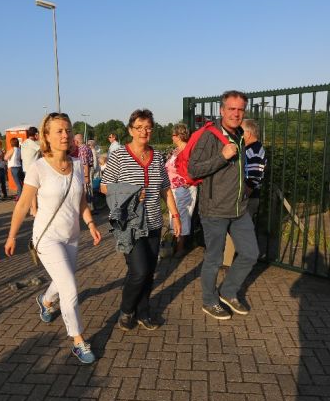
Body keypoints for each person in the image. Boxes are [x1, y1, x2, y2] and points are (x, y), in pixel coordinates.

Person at [4, 112, 101, 364]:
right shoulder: (38, 168)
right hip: (47, 237)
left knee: (62, 280)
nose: (65, 135)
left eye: (68, 130)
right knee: (69, 287)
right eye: (59, 131)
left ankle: (45, 300)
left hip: (72, 235)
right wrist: (12, 236)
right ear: (46, 136)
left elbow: (81, 201)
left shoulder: (77, 165)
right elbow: (23, 204)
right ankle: (78, 340)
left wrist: (91, 224)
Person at [101, 109, 181, 331]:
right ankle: (127, 310)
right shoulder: (119, 156)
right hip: (130, 224)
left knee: (148, 272)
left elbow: (165, 188)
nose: (144, 132)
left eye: (148, 127)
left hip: (154, 222)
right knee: (139, 271)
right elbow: (105, 186)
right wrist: (130, 192)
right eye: (139, 127)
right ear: (130, 130)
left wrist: (175, 215)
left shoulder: (157, 156)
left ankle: (143, 311)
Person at [187, 90, 258, 320]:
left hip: (239, 208)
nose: (236, 114)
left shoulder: (240, 134)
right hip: (215, 210)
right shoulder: (209, 136)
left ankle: (228, 291)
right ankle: (209, 301)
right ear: (221, 110)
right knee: (214, 259)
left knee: (251, 253)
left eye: (240, 109)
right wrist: (222, 156)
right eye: (231, 109)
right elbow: (193, 169)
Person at [165, 123, 198, 257]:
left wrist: (188, 183)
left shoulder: (188, 150)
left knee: (182, 216)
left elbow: (194, 169)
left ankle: (180, 247)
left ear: (179, 136)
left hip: (184, 189)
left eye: (173, 135)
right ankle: (175, 244)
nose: (172, 137)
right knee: (175, 216)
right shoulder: (177, 150)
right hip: (173, 188)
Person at [242, 119, 267, 219]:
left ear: (248, 134)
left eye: (240, 131)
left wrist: (243, 197)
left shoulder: (255, 151)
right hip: (246, 197)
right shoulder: (249, 148)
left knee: (242, 227)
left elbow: (254, 178)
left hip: (248, 198)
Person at [20, 126, 41, 216]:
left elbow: (22, 157)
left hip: (26, 168)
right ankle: (35, 210)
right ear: (35, 134)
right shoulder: (32, 143)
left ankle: (32, 209)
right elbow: (43, 149)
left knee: (31, 190)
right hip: (33, 169)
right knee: (34, 191)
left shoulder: (24, 143)